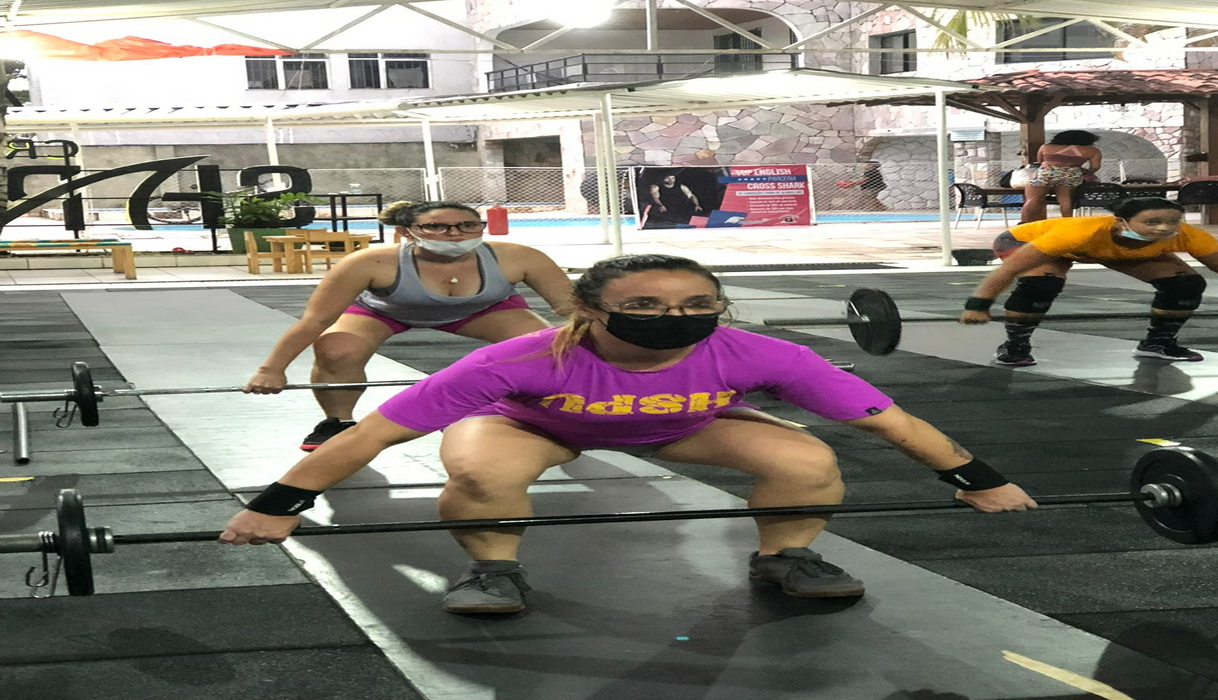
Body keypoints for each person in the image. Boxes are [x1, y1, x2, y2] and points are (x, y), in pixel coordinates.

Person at [221, 254, 1038, 614]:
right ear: (589, 310)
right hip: (532, 425)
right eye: (643, 306)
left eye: (695, 305)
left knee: (806, 458)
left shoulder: (764, 354)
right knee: (477, 473)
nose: (673, 318)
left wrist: (978, 479)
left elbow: (892, 422)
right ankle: (494, 573)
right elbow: (370, 436)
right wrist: (277, 504)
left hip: (684, 424)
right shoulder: (517, 358)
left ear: (719, 307)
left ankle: (786, 558)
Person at [242, 200, 574, 451]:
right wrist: (272, 369)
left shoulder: (519, 256)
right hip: (384, 311)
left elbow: (573, 309)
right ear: (406, 232)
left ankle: (543, 415)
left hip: (483, 310)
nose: (454, 233)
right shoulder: (369, 262)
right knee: (338, 349)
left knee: (545, 347)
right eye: (436, 227)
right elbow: (317, 319)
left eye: (467, 225)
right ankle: (337, 422)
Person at [963, 197, 1218, 367]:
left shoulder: (1189, 235)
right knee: (1041, 285)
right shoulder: (1077, 232)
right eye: (1152, 222)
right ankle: (1015, 347)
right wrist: (979, 305)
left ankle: (1157, 344)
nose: (1163, 229)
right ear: (1122, 222)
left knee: (1185, 284)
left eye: (1171, 221)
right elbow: (1008, 271)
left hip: (1112, 250)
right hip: (1024, 242)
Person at [1020, 131, 1103, 222]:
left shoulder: (1045, 147)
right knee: (1065, 201)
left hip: (1047, 173)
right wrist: (1084, 170)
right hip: (1071, 174)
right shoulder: (1092, 150)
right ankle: (1067, 223)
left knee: (1032, 200)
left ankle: (1024, 223)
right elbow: (1095, 167)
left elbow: (1040, 161)